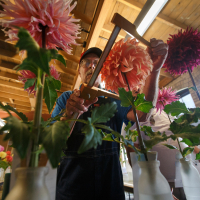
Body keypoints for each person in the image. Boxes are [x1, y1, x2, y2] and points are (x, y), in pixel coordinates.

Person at [51, 38, 168, 200]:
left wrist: (154, 71)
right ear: (79, 71)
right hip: (72, 189)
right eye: (86, 63)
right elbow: (53, 142)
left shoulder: (115, 98)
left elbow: (142, 115)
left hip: (110, 188)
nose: (92, 66)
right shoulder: (65, 99)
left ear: (103, 70)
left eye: (96, 63)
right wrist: (70, 114)